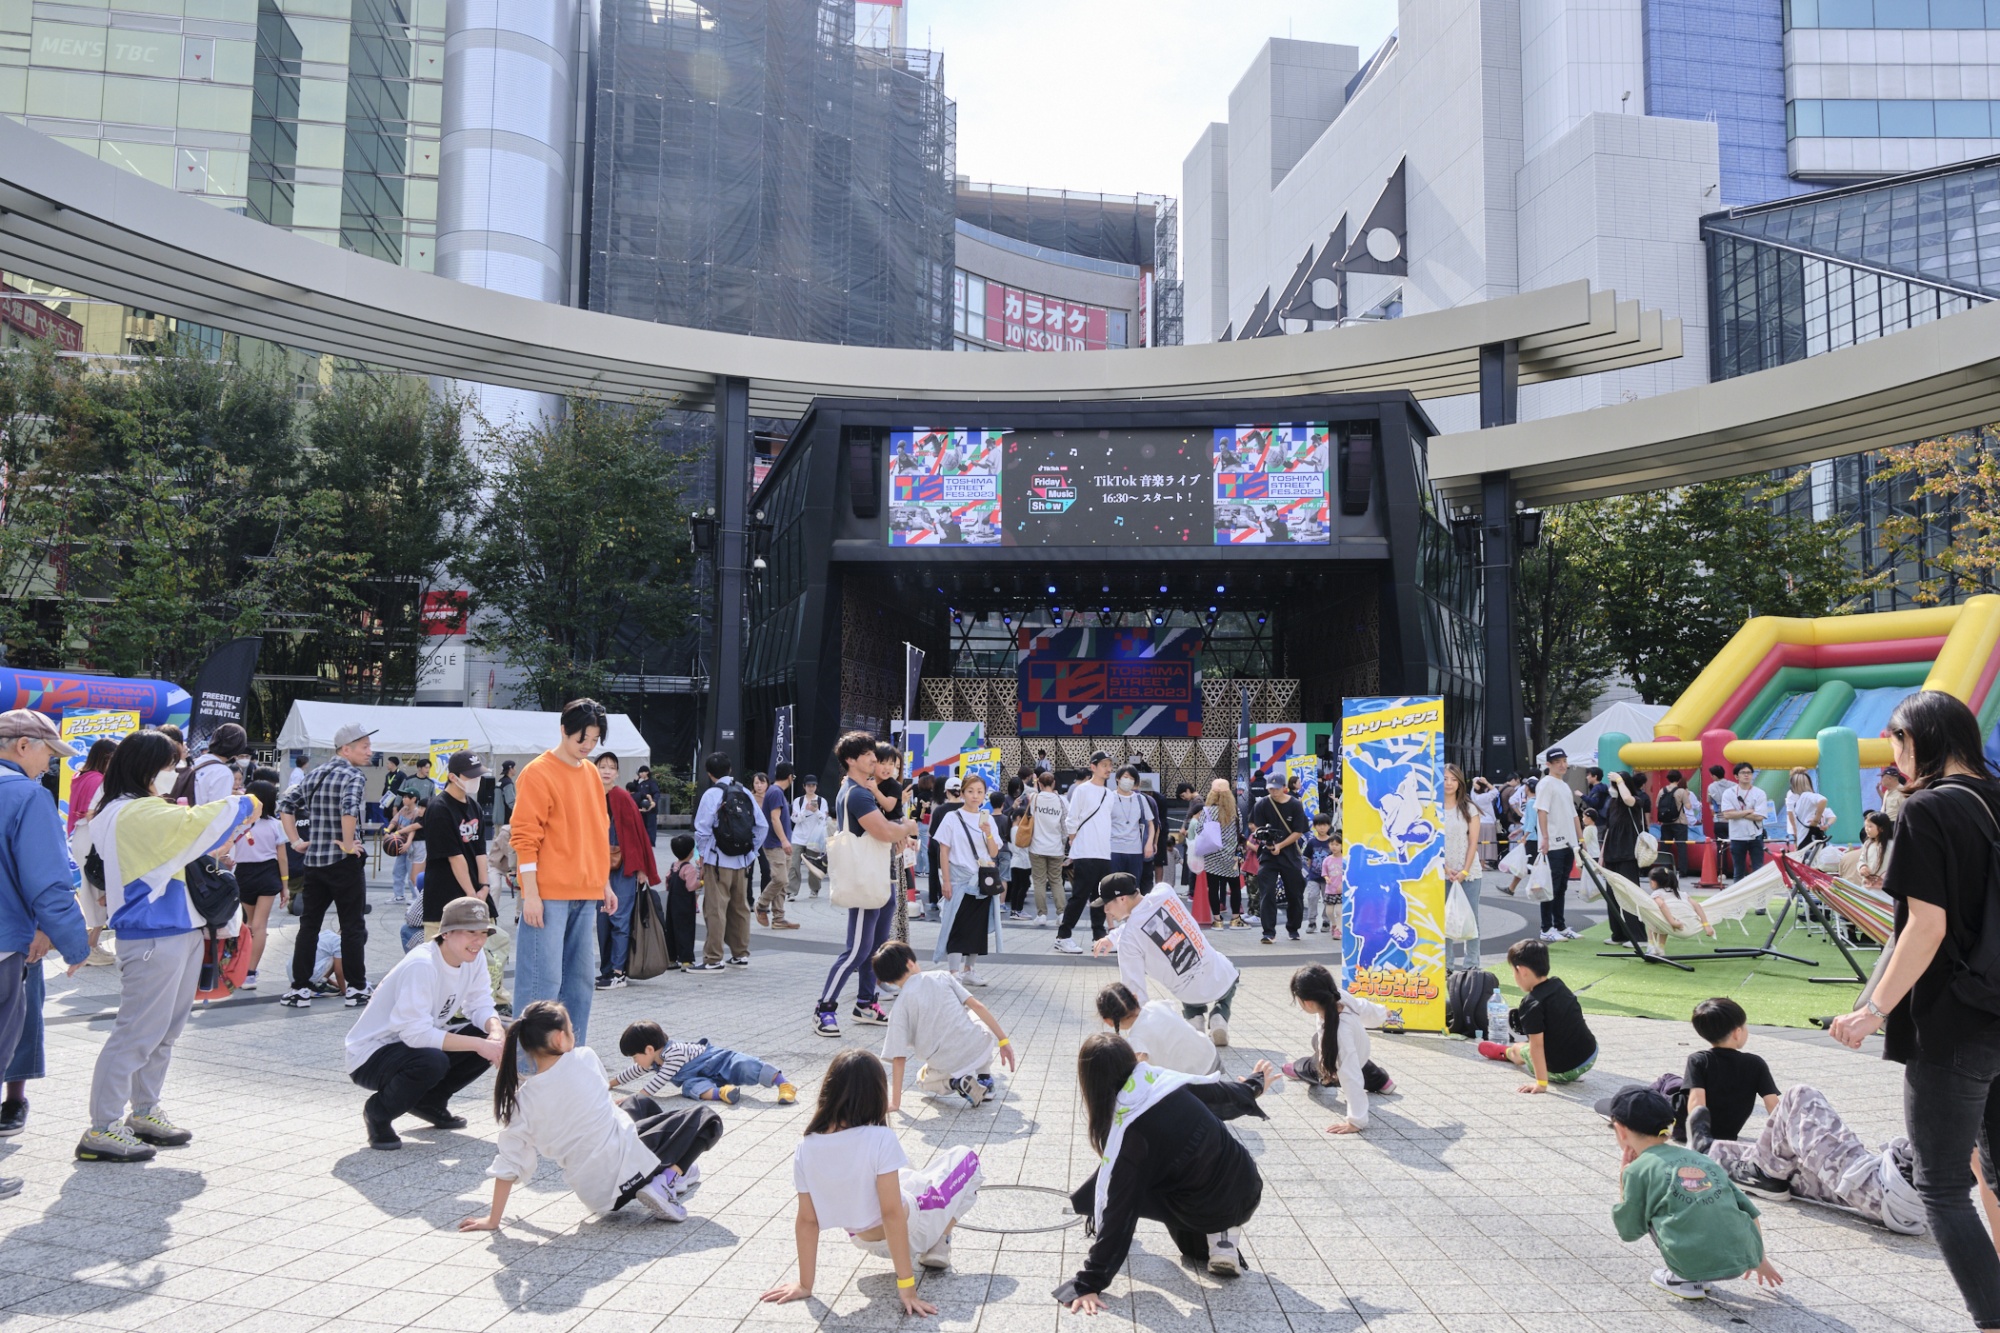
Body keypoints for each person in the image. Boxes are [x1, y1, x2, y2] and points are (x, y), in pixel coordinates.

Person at [1829, 690, 2000, 1327]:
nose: (1895, 757)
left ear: (1919, 739)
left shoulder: (1927, 809)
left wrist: (1873, 1010)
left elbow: (1922, 927)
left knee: (1944, 1187)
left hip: (1954, 1022)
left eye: (1897, 743)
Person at [77, 727, 259, 1163]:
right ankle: (102, 1127)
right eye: (169, 765)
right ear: (147, 768)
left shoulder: (131, 809)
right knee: (138, 1031)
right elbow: (197, 821)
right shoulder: (132, 812)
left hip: (176, 929)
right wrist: (248, 800)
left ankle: (143, 1112)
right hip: (151, 933)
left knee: (163, 1031)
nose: (175, 773)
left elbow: (190, 834)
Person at [760, 1049, 983, 1318]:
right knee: (967, 1158)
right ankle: (940, 1239)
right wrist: (907, 1288)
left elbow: (807, 1221)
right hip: (914, 1228)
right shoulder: (880, 1138)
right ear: (876, 1094)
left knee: (904, 1171)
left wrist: (805, 1284)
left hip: (863, 1239)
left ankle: (930, 1223)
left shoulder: (805, 1147)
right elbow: (891, 1214)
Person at [1057, 1034, 1274, 1310]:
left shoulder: (1134, 1140)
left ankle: (1221, 1227)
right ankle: (1222, 1237)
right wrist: (1255, 1083)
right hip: (1246, 1182)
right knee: (1192, 1251)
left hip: (1209, 1206)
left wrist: (1089, 1283)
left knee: (1122, 1187)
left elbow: (1121, 1211)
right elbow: (1222, 1095)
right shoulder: (1162, 1082)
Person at [461, 1000, 722, 1229]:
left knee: (638, 1104)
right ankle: (665, 1180)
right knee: (707, 1119)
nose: (574, 1032)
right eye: (571, 1028)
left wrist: (493, 1220)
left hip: (598, 1196)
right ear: (560, 1039)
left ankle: (669, 1172)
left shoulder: (521, 1102)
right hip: (628, 1170)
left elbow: (510, 1161)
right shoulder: (584, 1057)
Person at [1691, 999, 1926, 1234]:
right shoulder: (1753, 1063)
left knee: (1800, 1095)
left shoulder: (1699, 1060)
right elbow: (1772, 1104)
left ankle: (1758, 1170)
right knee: (1790, 1167)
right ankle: (1712, 1153)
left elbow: (1699, 1101)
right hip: (1893, 1201)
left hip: (1884, 1186)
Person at [0, 711, 91, 1189]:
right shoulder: (23, 796)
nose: (48, 766)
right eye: (47, 755)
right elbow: (49, 882)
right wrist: (76, 944)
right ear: (22, 746)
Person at [345, 896, 507, 1150]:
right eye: (470, 933)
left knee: (492, 1034)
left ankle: (430, 1102)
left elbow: (480, 1004)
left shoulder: (474, 959)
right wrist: (479, 1045)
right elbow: (415, 1035)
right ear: (447, 933)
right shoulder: (422, 964)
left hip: (412, 1045)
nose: (479, 941)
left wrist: (495, 1031)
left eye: (484, 933)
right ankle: (378, 1112)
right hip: (370, 1055)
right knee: (433, 1060)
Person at [1599, 1084, 1782, 1302]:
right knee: (1689, 1204)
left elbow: (1629, 1231)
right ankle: (1703, 1274)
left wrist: (1624, 1179)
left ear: (1620, 1130)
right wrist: (1758, 1258)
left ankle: (1682, 1278)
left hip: (1689, 1264)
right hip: (1740, 1262)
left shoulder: (1638, 1171)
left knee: (1653, 1204)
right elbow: (1750, 1211)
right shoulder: (1703, 1160)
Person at [510, 699, 617, 1044]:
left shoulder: (589, 773)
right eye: (581, 739)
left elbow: (600, 830)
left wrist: (605, 883)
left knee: (580, 983)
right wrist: (531, 894)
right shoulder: (538, 772)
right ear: (563, 731)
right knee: (541, 983)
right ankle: (528, 1067)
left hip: (586, 893)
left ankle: (573, 1058)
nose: (587, 747)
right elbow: (524, 837)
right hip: (548, 895)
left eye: (594, 740)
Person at [814, 732, 923, 1039]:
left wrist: (895, 835)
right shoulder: (858, 794)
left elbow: (883, 833)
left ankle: (865, 1003)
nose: (874, 759)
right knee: (856, 950)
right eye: (867, 755)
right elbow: (884, 829)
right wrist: (908, 827)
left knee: (873, 949)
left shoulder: (862, 791)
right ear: (850, 760)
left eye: (874, 754)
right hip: (866, 879)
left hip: (880, 876)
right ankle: (824, 1009)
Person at [277, 722, 374, 1009]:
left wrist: (295, 841)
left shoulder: (315, 774)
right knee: (352, 925)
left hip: (314, 863)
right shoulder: (353, 776)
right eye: (364, 746)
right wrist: (346, 844)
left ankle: (300, 988)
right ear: (347, 749)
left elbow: (285, 805)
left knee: (309, 926)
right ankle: (356, 988)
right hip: (343, 863)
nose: (370, 752)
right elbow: (349, 810)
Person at [1093, 871, 1239, 1046]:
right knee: (1232, 971)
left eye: (1108, 903)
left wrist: (1141, 1039)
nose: (1106, 910)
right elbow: (1150, 919)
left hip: (1188, 993)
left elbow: (1135, 991)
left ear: (1122, 899)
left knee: (1188, 986)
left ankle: (1194, 1018)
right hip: (1217, 973)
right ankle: (1220, 1015)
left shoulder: (1129, 941)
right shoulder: (1165, 891)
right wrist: (1113, 937)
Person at [871, 940, 1016, 1109]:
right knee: (973, 1016)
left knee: (921, 1080)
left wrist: (895, 1103)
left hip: (946, 1064)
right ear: (910, 963)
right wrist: (1003, 1041)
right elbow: (978, 1006)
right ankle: (985, 1078)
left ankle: (954, 1082)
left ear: (888, 981)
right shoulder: (942, 976)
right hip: (978, 1049)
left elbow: (898, 1056)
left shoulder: (898, 1009)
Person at [423, 752, 512, 1008]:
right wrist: (471, 893)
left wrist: (483, 887)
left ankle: (492, 999)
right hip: (445, 895)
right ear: (452, 777)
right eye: (470, 776)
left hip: (475, 891)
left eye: (478, 775)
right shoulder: (439, 809)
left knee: (490, 949)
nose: (476, 780)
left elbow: (480, 851)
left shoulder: (472, 806)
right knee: (441, 955)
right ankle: (439, 1006)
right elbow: (455, 857)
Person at [1477, 938, 1599, 1091]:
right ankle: (1574, 1070)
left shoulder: (1531, 1004)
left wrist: (1541, 1083)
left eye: (1513, 971)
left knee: (1520, 1048)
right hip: (1590, 1055)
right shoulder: (1558, 984)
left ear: (1522, 971)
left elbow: (1537, 1046)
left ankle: (1506, 1052)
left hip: (1564, 1071)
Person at [1285, 963, 1393, 1133]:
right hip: (1359, 1051)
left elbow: (1351, 1077)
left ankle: (1300, 1068)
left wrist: (1355, 1121)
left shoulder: (1338, 1037)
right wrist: (1382, 1012)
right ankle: (1380, 1080)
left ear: (1308, 1003)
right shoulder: (1339, 996)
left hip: (1340, 1062)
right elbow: (1363, 1007)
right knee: (1317, 1041)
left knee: (1306, 1066)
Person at [609, 1018, 795, 1105]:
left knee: (745, 1066)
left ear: (649, 1050)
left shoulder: (673, 1053)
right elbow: (632, 1072)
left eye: (635, 1056)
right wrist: (610, 1083)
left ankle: (783, 1084)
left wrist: (632, 1099)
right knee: (690, 1087)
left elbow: (657, 1082)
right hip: (700, 1076)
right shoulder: (652, 1060)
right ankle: (721, 1093)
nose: (635, 1061)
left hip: (718, 1061)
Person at [692, 749, 765, 970]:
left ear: (708, 773)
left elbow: (702, 830)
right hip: (742, 861)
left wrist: (701, 858)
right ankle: (740, 953)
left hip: (717, 860)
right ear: (730, 769)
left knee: (715, 908)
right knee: (740, 908)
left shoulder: (711, 795)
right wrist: (751, 851)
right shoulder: (744, 792)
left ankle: (713, 958)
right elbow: (762, 826)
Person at [596, 752, 660, 989]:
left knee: (619, 919)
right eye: (602, 766)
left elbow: (637, 836)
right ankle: (606, 969)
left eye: (611, 767)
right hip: (596, 869)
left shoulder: (622, 797)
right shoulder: (589, 795)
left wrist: (642, 868)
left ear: (618, 773)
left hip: (621, 868)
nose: (606, 771)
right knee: (603, 919)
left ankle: (618, 971)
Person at [934, 770, 1002, 984]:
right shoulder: (951, 818)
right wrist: (945, 880)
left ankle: (969, 969)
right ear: (962, 793)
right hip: (958, 879)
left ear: (985, 795)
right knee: (956, 924)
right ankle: (954, 972)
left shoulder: (988, 819)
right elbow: (943, 851)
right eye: (970, 791)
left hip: (981, 882)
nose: (975, 795)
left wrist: (988, 832)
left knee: (977, 928)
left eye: (979, 792)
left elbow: (993, 852)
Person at [1054, 751, 1115, 953]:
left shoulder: (1109, 794)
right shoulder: (1082, 790)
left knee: (1100, 896)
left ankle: (1099, 937)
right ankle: (1063, 936)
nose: (1108, 769)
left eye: (1110, 765)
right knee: (1080, 896)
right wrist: (1074, 842)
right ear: (1093, 766)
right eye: (1104, 764)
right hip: (1085, 851)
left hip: (1103, 852)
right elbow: (1071, 819)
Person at [233, 778, 288, 991]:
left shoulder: (239, 825)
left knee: (247, 925)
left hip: (244, 874)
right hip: (269, 874)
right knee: (260, 926)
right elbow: (282, 858)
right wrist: (285, 886)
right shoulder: (276, 825)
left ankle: (239, 969)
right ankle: (250, 974)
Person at [1094, 981, 1217, 1075]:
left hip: (1193, 1077)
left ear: (1108, 1021)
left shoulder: (1136, 1040)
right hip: (1209, 1053)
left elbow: (1141, 1074)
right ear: (1135, 997)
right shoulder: (1156, 1005)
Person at [1251, 772, 1308, 943]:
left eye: (1276, 788)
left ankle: (1293, 928)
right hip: (1268, 856)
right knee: (1267, 892)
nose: (1273, 792)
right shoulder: (1262, 804)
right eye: (1270, 788)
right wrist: (1267, 842)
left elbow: (1298, 831)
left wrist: (1280, 846)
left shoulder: (1295, 805)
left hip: (1290, 854)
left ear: (1284, 787)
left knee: (1295, 893)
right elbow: (1256, 827)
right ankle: (1268, 932)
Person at [1533, 748, 1580, 941]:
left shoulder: (1563, 785)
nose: (1562, 765)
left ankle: (1559, 925)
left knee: (1561, 886)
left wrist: (1580, 838)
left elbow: (1574, 814)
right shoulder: (1545, 784)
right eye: (1558, 761)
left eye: (1564, 761)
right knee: (1549, 887)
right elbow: (1541, 811)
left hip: (1568, 843)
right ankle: (1546, 928)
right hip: (1553, 843)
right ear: (1548, 764)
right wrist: (1544, 838)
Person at [1600, 770, 1649, 946]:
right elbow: (1608, 830)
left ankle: (1639, 936)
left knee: (1630, 894)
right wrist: (1602, 856)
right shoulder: (1613, 804)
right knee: (1612, 896)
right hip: (1612, 855)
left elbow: (1628, 799)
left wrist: (1620, 781)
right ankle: (1618, 934)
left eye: (1616, 785)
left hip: (1628, 854)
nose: (1612, 788)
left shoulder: (1636, 801)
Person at [1441, 763, 1481, 969]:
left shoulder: (1469, 808)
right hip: (1441, 872)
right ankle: (1446, 964)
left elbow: (1473, 842)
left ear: (1460, 782)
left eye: (1453, 779)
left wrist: (1464, 870)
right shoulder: (1433, 808)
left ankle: (1472, 964)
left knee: (1471, 917)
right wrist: (1446, 868)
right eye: (1445, 778)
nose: (1449, 783)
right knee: (1443, 918)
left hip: (1469, 871)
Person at [756, 762, 798, 930]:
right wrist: (784, 840)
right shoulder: (775, 792)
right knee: (780, 879)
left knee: (782, 883)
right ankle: (761, 904)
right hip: (775, 844)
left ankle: (779, 918)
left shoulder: (775, 792)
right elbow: (775, 818)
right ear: (790, 777)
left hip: (780, 843)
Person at [1718, 762, 1774, 883]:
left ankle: (1759, 898)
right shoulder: (1729, 793)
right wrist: (1748, 811)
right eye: (1743, 773)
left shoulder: (1759, 793)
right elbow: (1727, 814)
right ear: (1736, 776)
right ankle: (1739, 899)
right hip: (1737, 836)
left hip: (1756, 836)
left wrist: (1737, 813)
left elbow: (1759, 816)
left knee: (1758, 869)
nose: (1746, 775)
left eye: (1749, 772)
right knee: (1738, 871)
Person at [1025, 769, 1067, 923]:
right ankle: (1061, 913)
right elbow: (1065, 826)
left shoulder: (1034, 798)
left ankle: (1041, 914)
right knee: (1056, 880)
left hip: (1037, 847)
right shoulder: (1061, 801)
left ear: (1040, 784)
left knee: (1039, 881)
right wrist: (1063, 845)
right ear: (1054, 783)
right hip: (1055, 847)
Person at [1105, 764, 1155, 892]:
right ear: (1117, 778)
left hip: (1135, 851)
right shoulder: (1109, 797)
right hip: (1113, 849)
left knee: (1133, 888)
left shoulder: (1140, 799)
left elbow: (1151, 824)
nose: (1128, 781)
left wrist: (1149, 843)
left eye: (1132, 778)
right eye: (1125, 777)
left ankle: (1131, 912)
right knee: (1114, 888)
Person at [662, 833, 701, 970]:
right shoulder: (688, 868)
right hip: (685, 904)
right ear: (691, 852)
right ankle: (686, 960)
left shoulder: (674, 866)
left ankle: (671, 959)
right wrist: (701, 882)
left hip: (672, 902)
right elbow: (691, 886)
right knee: (685, 930)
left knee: (672, 929)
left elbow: (667, 882)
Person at [790, 774, 828, 898]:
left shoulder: (822, 801)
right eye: (808, 786)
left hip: (814, 839)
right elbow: (794, 819)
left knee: (813, 865)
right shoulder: (798, 801)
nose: (811, 788)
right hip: (798, 837)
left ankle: (815, 889)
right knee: (793, 864)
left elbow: (824, 820)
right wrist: (805, 811)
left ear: (816, 786)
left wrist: (815, 811)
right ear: (804, 787)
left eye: (813, 785)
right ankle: (791, 891)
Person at [1784, 768, 1835, 860]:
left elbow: (1823, 800)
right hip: (1805, 836)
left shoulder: (1806, 796)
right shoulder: (1802, 797)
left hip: (1807, 837)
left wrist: (1816, 819)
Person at [384, 791, 424, 904]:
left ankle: (415, 897)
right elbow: (394, 821)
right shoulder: (403, 810)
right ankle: (399, 896)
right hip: (400, 845)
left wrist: (406, 842)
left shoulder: (417, 813)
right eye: (403, 797)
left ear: (414, 799)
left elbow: (413, 829)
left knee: (412, 873)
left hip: (410, 846)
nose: (403, 799)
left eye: (406, 797)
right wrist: (387, 830)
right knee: (398, 870)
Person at [1302, 813, 1334, 936]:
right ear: (1315, 826)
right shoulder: (1312, 842)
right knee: (1312, 897)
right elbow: (1308, 859)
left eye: (1324, 825)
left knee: (1328, 899)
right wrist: (1311, 871)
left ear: (1329, 826)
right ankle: (1311, 921)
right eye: (1319, 825)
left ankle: (1326, 921)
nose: (1322, 828)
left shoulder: (1332, 841)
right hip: (1313, 876)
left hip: (1328, 878)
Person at [1657, 771, 1693, 875]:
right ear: (1679, 779)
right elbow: (1688, 806)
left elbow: (1657, 805)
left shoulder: (1661, 791)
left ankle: (1663, 870)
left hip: (1665, 823)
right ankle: (1682, 871)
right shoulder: (1681, 791)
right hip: (1680, 822)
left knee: (1664, 846)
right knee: (1681, 846)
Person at [1852, 810, 1894, 890]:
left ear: (1881, 828)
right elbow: (1862, 860)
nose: (1866, 829)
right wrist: (1862, 867)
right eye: (1866, 826)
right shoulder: (1868, 844)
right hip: (1868, 887)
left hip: (1886, 888)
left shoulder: (1892, 845)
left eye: (1870, 826)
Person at [630, 764, 662, 846]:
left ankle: (651, 842)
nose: (640, 774)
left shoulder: (652, 782)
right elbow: (633, 789)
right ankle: (644, 841)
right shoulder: (641, 784)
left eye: (642, 772)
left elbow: (656, 792)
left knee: (651, 825)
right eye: (639, 772)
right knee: (643, 824)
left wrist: (654, 801)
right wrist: (636, 780)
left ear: (647, 772)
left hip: (651, 807)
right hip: (642, 807)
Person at [494, 760, 517, 826]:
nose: (515, 770)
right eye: (514, 768)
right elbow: (511, 802)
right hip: (506, 820)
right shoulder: (508, 783)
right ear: (510, 769)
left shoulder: (500, 782)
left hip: (497, 818)